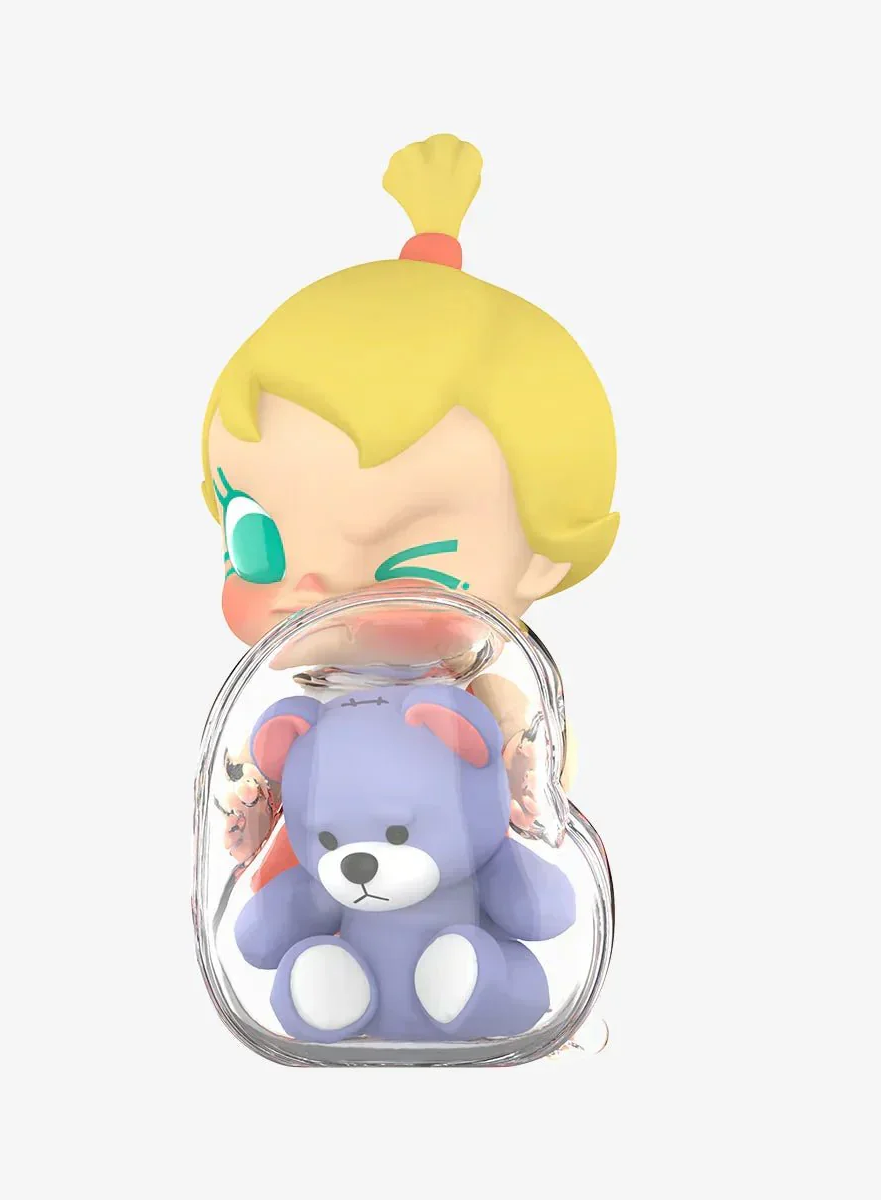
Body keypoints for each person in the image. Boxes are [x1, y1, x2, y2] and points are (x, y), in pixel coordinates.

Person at [201, 133, 619, 885]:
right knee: (275, 923)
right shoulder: (295, 710)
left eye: (405, 563)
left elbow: (535, 771)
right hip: (318, 889)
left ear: (541, 560)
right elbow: (263, 779)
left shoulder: (483, 695)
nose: (312, 592)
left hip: (462, 886)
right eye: (258, 540)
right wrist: (257, 806)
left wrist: (525, 773)